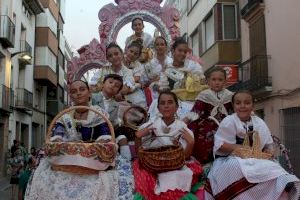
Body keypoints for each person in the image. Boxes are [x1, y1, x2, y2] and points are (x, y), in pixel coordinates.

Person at [25, 80, 134, 200]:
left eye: (82, 89)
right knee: (42, 177)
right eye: (74, 91)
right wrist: (57, 141)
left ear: (89, 93)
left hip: (95, 160)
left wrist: (102, 143)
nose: (78, 93)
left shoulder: (98, 114)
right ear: (70, 96)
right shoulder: (64, 116)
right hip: (68, 161)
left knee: (112, 179)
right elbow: (57, 135)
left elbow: (106, 134)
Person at [205, 90, 300, 200]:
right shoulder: (229, 121)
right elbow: (221, 145)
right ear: (233, 106)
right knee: (235, 165)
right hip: (230, 158)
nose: (242, 106)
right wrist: (242, 149)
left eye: (247, 103)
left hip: (256, 158)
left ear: (252, 105)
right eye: (238, 103)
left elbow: (268, 145)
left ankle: (286, 187)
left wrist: (268, 153)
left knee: (273, 166)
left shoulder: (259, 122)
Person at [133, 91, 203, 200]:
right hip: (152, 163)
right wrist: (138, 137)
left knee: (173, 178)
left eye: (170, 102)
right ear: (158, 108)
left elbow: (185, 158)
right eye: (162, 103)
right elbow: (140, 154)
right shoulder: (152, 125)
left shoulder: (182, 128)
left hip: (175, 164)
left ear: (177, 107)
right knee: (146, 177)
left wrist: (190, 143)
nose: (166, 106)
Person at [148, 37, 206, 120]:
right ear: (173, 51)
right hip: (173, 101)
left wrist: (193, 80)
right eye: (180, 50)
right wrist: (156, 87)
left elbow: (202, 82)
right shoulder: (168, 69)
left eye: (185, 51)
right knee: (156, 104)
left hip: (190, 101)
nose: (182, 53)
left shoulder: (193, 66)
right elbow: (164, 88)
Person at [187, 66, 233, 165]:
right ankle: (204, 165)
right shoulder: (204, 95)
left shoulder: (230, 96)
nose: (217, 82)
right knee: (203, 136)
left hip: (225, 125)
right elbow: (195, 112)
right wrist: (183, 123)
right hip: (206, 126)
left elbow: (235, 111)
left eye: (220, 80)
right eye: (214, 79)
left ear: (225, 81)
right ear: (208, 81)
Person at [92, 74, 132, 160]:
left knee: (123, 138)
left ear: (117, 92)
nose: (113, 85)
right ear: (102, 84)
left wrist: (118, 123)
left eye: (117, 86)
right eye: (110, 82)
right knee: (107, 138)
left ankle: (126, 161)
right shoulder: (92, 98)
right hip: (92, 129)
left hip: (108, 130)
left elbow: (113, 122)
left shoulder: (115, 105)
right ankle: (104, 159)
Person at [123, 41, 147, 107]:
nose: (132, 54)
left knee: (139, 102)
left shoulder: (138, 65)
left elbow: (137, 78)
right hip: (117, 85)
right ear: (127, 50)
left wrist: (126, 84)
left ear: (138, 56)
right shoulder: (119, 59)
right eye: (131, 51)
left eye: (135, 54)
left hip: (132, 87)